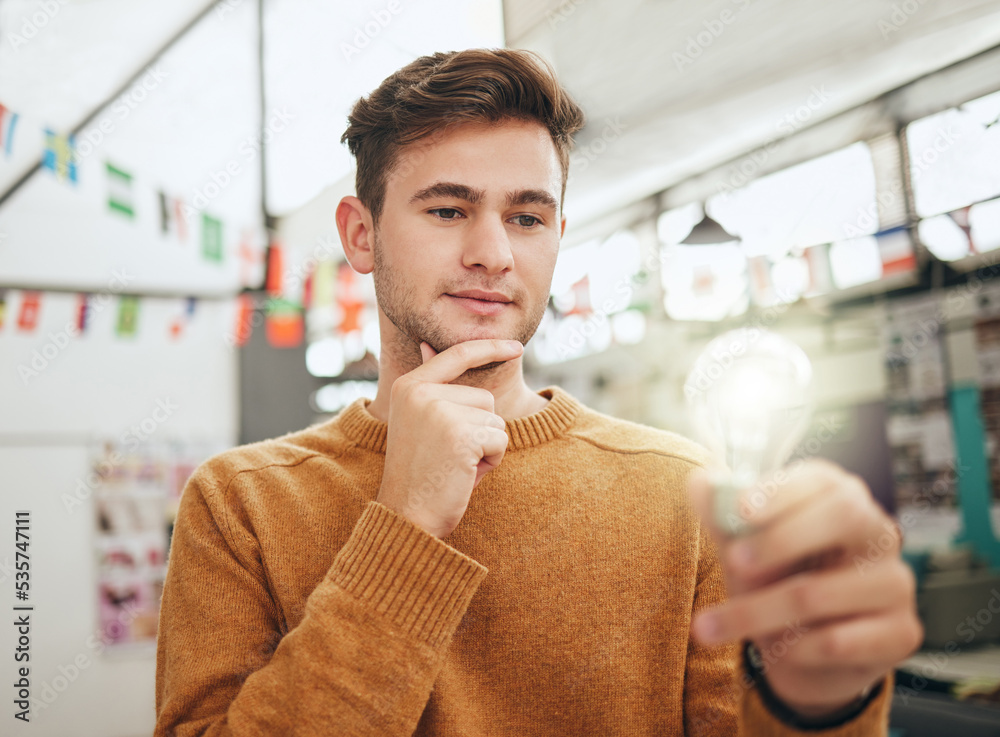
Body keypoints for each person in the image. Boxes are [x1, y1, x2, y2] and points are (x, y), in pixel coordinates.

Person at [154, 48, 921, 736]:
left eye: (527, 216)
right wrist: (405, 523)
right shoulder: (240, 504)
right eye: (448, 209)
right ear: (361, 234)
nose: (492, 252)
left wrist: (823, 702)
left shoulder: (680, 488)